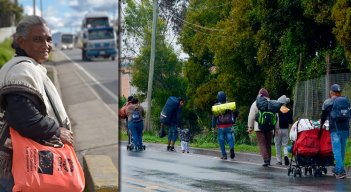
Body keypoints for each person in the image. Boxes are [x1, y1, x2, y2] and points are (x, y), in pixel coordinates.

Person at [0, 16, 73, 191]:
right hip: (18, 167)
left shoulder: (23, 66)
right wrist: (57, 130)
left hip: (21, 163)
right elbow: (24, 118)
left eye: (48, 39)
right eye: (38, 39)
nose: (46, 45)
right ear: (21, 42)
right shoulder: (22, 70)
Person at [320, 84, 350, 179]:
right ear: (340, 92)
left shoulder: (328, 102)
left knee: (336, 150)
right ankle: (338, 168)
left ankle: (341, 171)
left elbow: (324, 115)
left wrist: (321, 126)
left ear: (331, 92)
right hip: (345, 128)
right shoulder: (346, 101)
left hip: (335, 129)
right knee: (342, 149)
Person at [247, 88, 279, 166]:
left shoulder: (255, 103)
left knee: (262, 143)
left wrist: (250, 127)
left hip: (259, 127)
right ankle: (269, 160)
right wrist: (276, 128)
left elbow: (251, 116)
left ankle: (266, 159)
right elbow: (277, 116)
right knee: (268, 144)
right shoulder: (272, 103)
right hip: (270, 127)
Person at [212, 91, 239, 160]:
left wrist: (213, 127)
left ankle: (224, 155)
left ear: (218, 98)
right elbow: (236, 112)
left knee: (221, 140)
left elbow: (214, 117)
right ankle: (231, 148)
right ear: (225, 97)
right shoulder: (229, 105)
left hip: (220, 126)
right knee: (230, 138)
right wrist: (234, 118)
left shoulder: (216, 106)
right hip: (229, 125)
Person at [275, 95, 293, 166]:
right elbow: (291, 121)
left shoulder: (277, 110)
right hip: (285, 129)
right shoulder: (288, 110)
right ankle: (286, 155)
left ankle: (279, 160)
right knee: (285, 145)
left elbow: (275, 120)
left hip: (278, 129)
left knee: (277, 145)